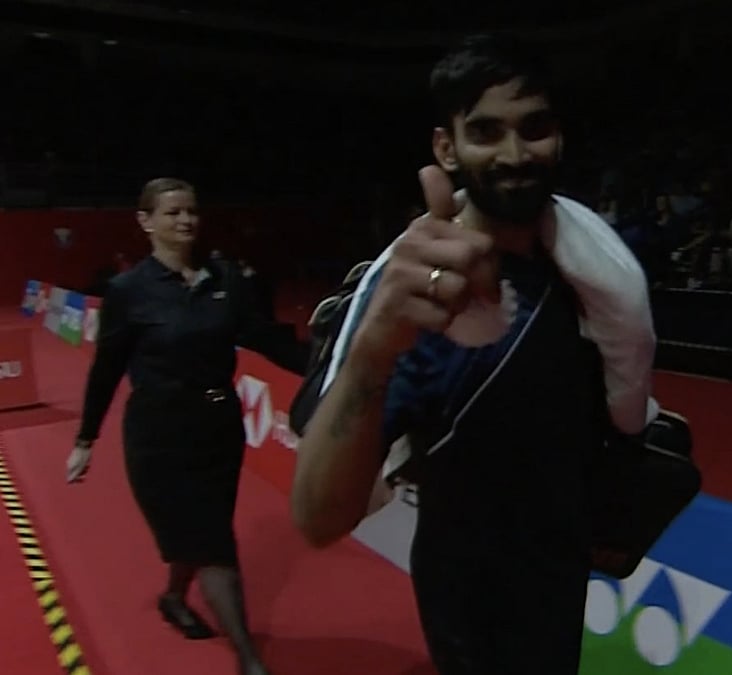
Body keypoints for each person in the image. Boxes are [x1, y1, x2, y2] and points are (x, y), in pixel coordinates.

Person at [291, 35, 646, 674]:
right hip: (473, 603)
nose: (515, 155)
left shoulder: (590, 269)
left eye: (533, 128)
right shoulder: (415, 294)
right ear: (446, 149)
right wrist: (374, 348)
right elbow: (317, 517)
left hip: (562, 572)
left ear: (558, 136)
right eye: (485, 133)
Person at [65, 178, 301, 675]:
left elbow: (265, 338)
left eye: (192, 211)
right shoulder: (128, 292)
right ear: (146, 221)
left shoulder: (225, 279)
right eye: (173, 212)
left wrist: (331, 365)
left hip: (219, 430)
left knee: (201, 532)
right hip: (158, 439)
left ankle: (174, 597)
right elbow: (106, 369)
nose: (187, 220)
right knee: (213, 542)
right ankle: (249, 660)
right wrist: (86, 439)